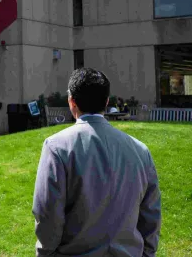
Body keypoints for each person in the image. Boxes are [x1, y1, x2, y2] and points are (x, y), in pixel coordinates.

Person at [33, 68, 161, 257]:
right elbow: (151, 214)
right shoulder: (140, 150)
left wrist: (45, 254)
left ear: (71, 101)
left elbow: (47, 214)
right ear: (107, 102)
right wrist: (147, 253)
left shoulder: (57, 147)